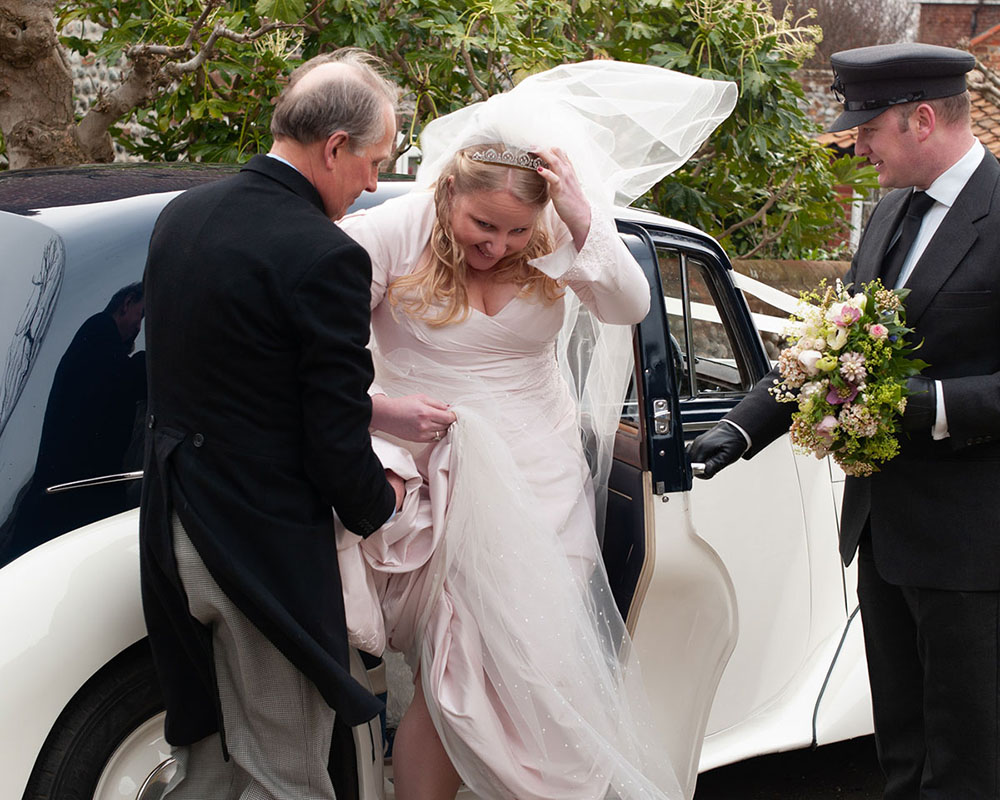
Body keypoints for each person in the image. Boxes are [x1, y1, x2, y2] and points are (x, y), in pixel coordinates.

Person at [335, 60, 737, 800]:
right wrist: (379, 420)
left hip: (540, 476)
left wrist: (585, 223)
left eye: (517, 231)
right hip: (437, 477)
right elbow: (323, 353)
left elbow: (627, 307)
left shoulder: (554, 236)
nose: (499, 245)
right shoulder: (392, 232)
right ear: (448, 188)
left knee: (532, 667)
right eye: (483, 225)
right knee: (451, 666)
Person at [688, 43, 1000, 799]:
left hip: (974, 546)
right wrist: (741, 428)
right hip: (882, 532)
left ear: (922, 119)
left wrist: (927, 409)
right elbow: (830, 346)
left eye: (869, 128)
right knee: (900, 749)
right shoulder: (890, 213)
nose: (856, 144)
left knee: (969, 761)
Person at [140, 49, 406, 800]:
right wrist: (379, 502)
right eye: (373, 161)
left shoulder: (181, 215)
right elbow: (332, 431)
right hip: (258, 542)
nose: (374, 183)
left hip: (173, 524)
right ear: (334, 148)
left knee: (209, 764)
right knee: (286, 773)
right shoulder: (324, 254)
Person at [2, 282, 146, 565]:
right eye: (140, 316)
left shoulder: (94, 339)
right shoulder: (98, 333)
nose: (139, 328)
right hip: (68, 502)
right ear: (127, 302)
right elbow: (121, 383)